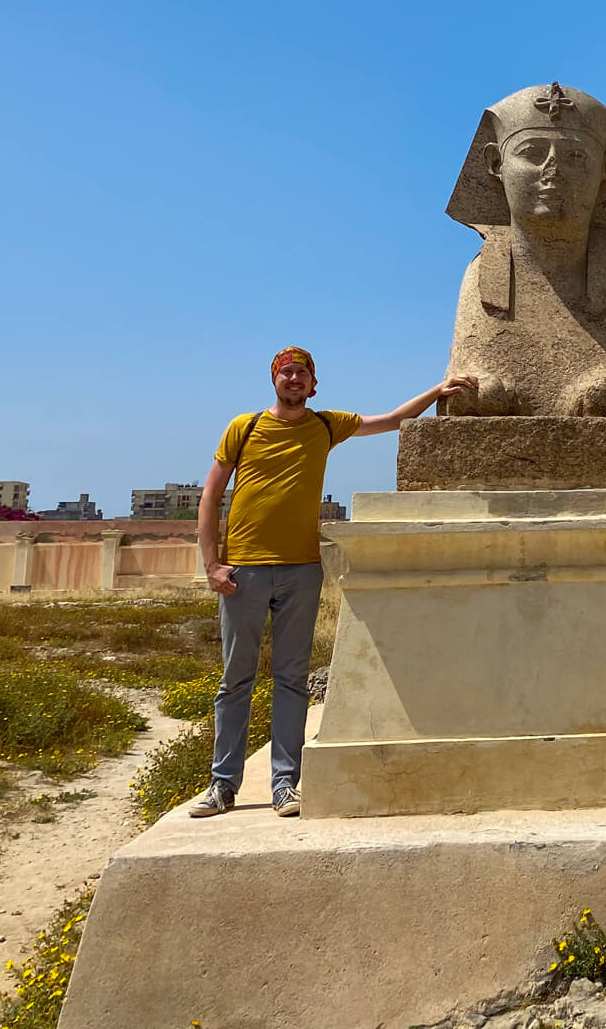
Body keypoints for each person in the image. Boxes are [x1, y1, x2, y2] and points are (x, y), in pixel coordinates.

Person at [190, 348, 475, 818]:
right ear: (275, 381)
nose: (294, 379)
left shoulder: (326, 426)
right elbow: (211, 494)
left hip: (302, 569)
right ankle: (223, 785)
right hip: (244, 569)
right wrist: (212, 565)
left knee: (291, 681)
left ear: (313, 383)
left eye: (302, 372)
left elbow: (392, 421)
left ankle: (285, 785)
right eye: (286, 373)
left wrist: (436, 391)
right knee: (235, 680)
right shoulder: (244, 427)